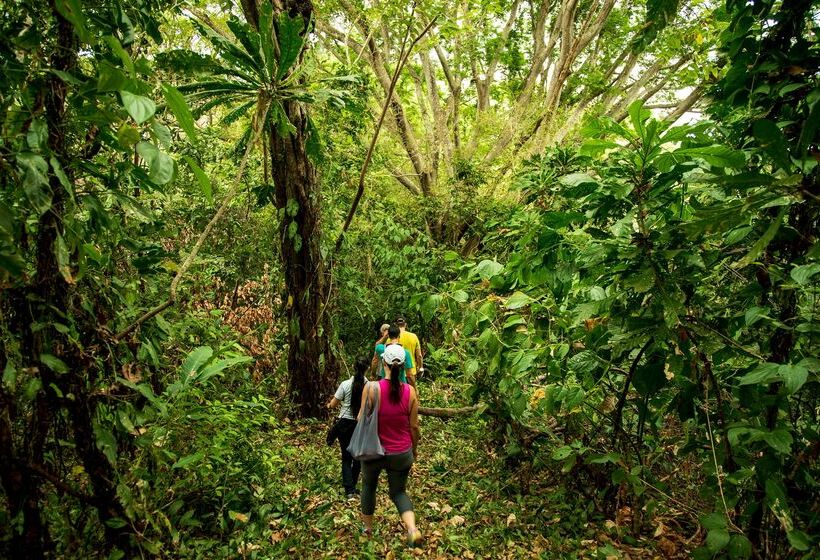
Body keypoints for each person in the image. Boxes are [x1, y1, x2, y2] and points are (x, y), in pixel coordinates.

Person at [359, 344, 423, 547]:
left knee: (369, 486)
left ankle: (367, 530)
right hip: (401, 452)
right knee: (398, 492)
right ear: (403, 366)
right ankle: (412, 530)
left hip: (373, 451)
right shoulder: (410, 392)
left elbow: (361, 418)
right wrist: (414, 449)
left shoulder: (371, 388)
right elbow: (414, 426)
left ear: (383, 363)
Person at [327, 357, 368, 500]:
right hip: (360, 424)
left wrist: (328, 405)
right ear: (367, 368)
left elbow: (333, 404)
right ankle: (353, 486)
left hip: (344, 424)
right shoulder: (368, 386)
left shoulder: (345, 384)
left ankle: (349, 490)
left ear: (353, 367)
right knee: (357, 458)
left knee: (346, 457)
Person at [396, 316, 423, 388]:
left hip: (397, 372)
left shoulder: (392, 338)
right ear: (405, 325)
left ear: (396, 325)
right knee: (411, 392)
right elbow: (419, 355)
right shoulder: (413, 336)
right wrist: (420, 367)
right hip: (411, 371)